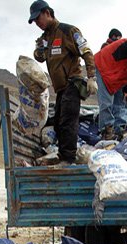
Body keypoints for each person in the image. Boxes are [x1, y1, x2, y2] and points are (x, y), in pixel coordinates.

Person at [29, 0, 97, 165]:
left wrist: (91, 77)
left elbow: (86, 51)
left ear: (47, 12)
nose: (37, 23)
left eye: (38, 18)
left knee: (68, 121)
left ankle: (68, 159)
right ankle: (62, 155)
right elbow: (39, 57)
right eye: (34, 21)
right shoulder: (46, 37)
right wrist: (39, 48)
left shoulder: (68, 31)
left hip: (73, 83)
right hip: (60, 89)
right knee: (59, 122)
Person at [99, 28, 127, 138]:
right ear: (114, 37)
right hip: (109, 80)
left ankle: (119, 130)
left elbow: (126, 69)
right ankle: (107, 131)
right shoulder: (106, 47)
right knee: (107, 104)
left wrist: (126, 90)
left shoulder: (121, 49)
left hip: (119, 82)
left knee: (120, 104)